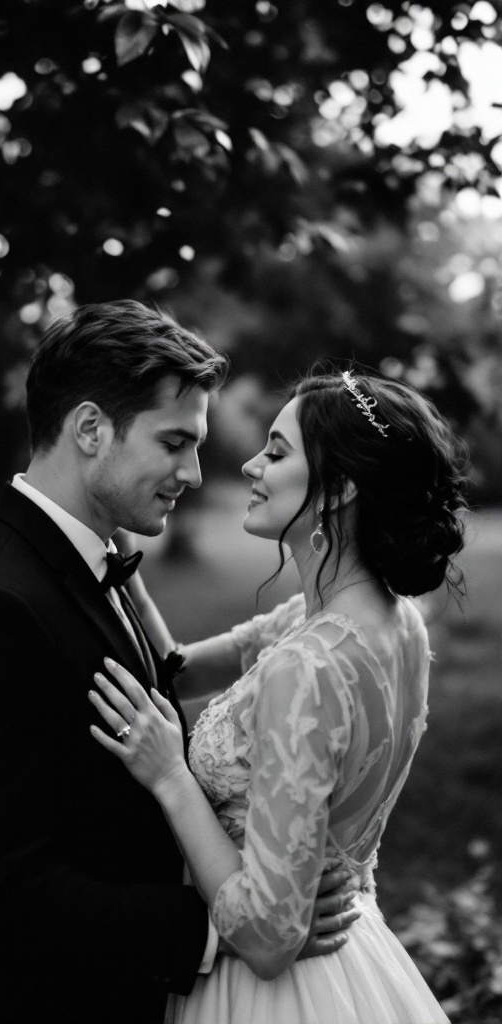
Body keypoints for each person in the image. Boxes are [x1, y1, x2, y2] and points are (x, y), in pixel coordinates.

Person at [0, 302, 357, 1024]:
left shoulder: (93, 558)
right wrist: (221, 924)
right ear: (92, 429)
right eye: (174, 443)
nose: (193, 472)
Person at [89, 367, 467, 1024]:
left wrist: (172, 777)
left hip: (274, 993)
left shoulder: (309, 665)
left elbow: (267, 938)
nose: (250, 465)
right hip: (353, 959)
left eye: (277, 452)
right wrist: (124, 569)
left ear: (341, 486)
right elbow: (176, 665)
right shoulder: (387, 617)